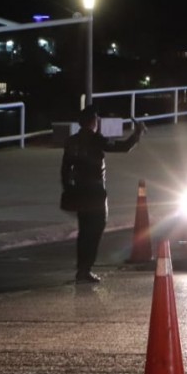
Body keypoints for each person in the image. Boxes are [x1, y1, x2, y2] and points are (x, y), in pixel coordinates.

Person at [60, 105, 144, 284]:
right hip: (95, 192)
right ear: (93, 122)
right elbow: (122, 147)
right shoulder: (95, 139)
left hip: (79, 192)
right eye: (96, 119)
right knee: (96, 230)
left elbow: (65, 169)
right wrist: (137, 134)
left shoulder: (72, 141)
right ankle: (86, 269)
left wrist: (69, 190)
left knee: (84, 231)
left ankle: (82, 269)